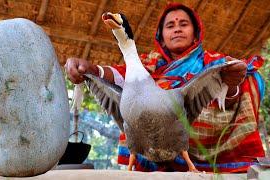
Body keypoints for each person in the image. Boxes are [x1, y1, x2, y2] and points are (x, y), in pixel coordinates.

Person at [64, 3, 265, 173]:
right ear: (161, 35)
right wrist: (92, 70)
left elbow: (240, 87)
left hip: (212, 164)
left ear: (196, 32)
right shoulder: (148, 64)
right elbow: (119, 77)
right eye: (170, 25)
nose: (177, 28)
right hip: (148, 163)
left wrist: (230, 84)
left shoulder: (213, 62)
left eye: (183, 24)